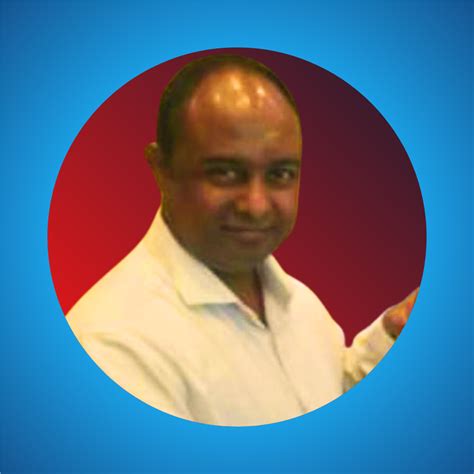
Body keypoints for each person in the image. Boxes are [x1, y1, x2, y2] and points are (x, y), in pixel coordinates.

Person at [67, 55, 419, 426]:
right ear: (162, 170)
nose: (256, 205)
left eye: (280, 174)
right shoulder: (112, 346)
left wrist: (391, 338)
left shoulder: (299, 304)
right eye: (225, 173)